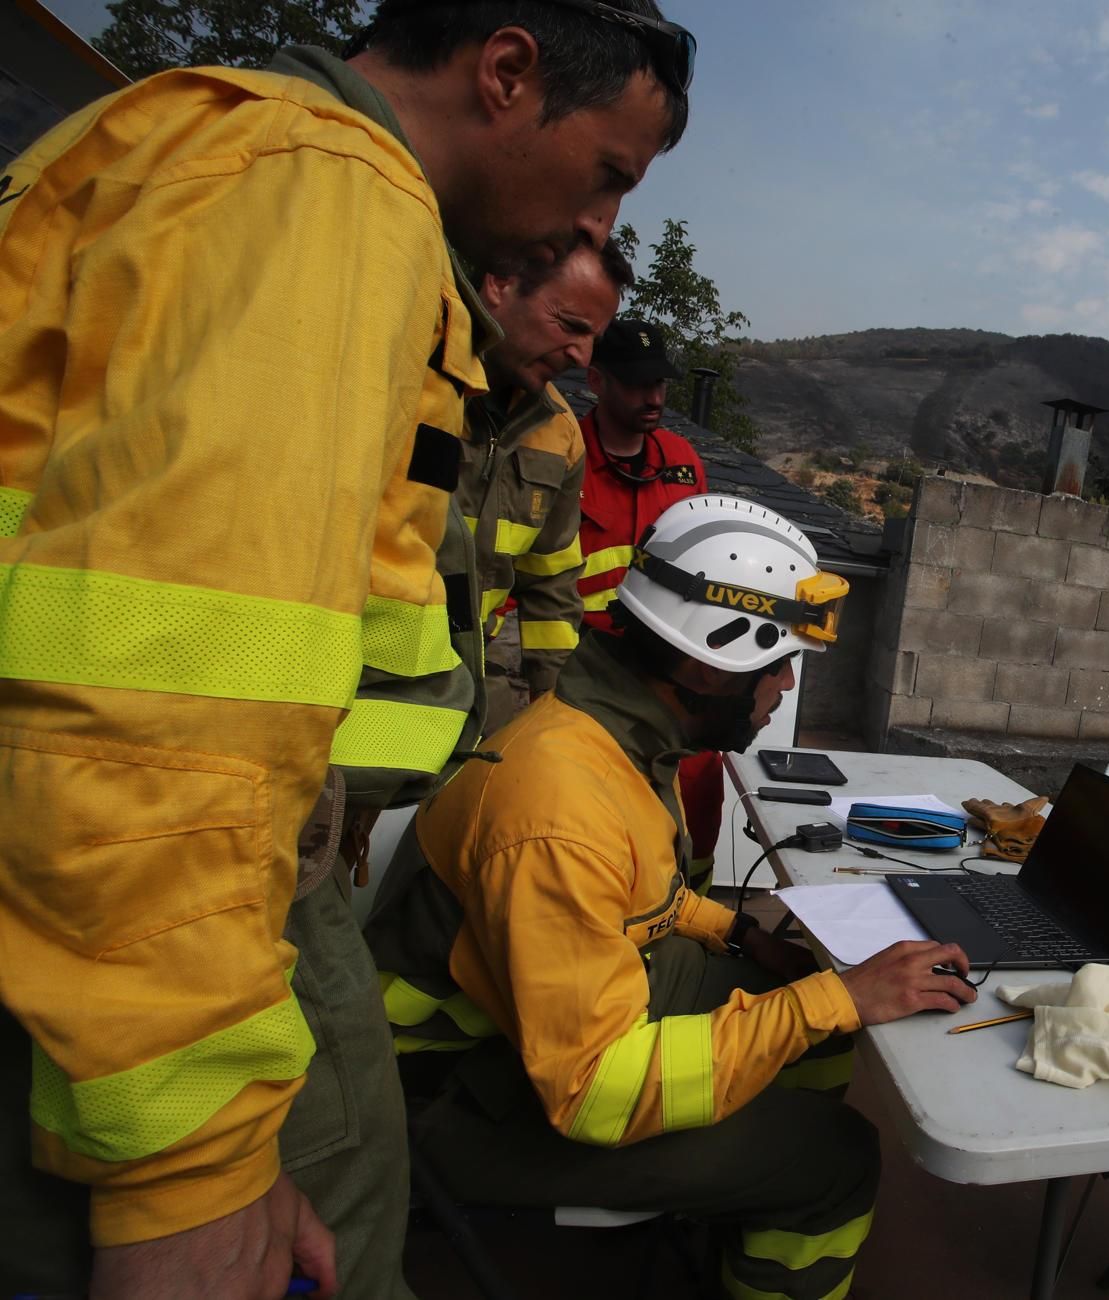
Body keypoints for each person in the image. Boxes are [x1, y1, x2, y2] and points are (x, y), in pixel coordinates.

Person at [0, 4, 691, 1297]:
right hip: (137, 914)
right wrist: (185, 1172)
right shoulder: (325, 192)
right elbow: (164, 697)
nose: (581, 228)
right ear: (506, 72)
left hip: (163, 883)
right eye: (605, 174)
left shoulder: (212, 148)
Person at [365, 495, 976, 1300]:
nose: (785, 687)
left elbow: (642, 896)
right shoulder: (562, 806)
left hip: (536, 1024)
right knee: (838, 1158)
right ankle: (781, 1183)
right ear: (706, 663)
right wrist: (835, 999)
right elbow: (593, 1091)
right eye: (778, 664)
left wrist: (737, 936)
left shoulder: (616, 736)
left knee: (807, 1012)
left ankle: (737, 1194)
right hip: (456, 1094)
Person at [576, 318, 729, 890]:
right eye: (639, 385)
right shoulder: (567, 455)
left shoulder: (681, 458)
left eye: (661, 383)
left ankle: (694, 906)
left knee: (697, 780)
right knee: (603, 803)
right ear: (597, 380)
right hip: (590, 665)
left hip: (670, 664)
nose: (656, 398)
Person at [458, 240, 632, 724]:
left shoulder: (560, 433)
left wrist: (554, 719)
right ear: (499, 284)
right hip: (351, 700)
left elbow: (551, 588)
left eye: (592, 337)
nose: (580, 356)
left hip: (470, 703)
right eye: (571, 326)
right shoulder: (404, 383)